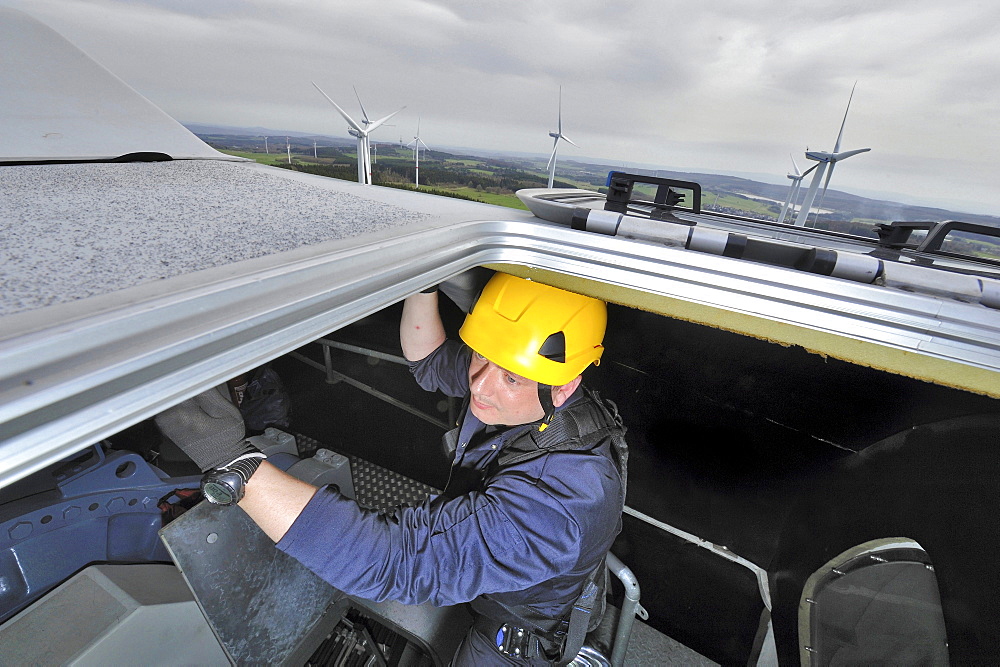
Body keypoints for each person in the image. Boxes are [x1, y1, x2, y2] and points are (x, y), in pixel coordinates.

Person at [166, 271, 628, 665]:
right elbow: (428, 361)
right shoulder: (524, 395)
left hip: (516, 632)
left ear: (564, 388)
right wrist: (424, 281)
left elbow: (392, 561)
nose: (481, 386)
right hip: (510, 579)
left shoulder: (566, 500)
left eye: (510, 377)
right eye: (482, 357)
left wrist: (233, 463)